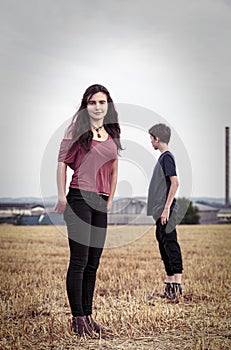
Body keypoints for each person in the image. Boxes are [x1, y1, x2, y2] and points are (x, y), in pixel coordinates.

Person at [55, 84, 122, 337]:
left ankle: (89, 317)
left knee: (93, 263)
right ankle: (78, 320)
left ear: (108, 105)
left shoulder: (112, 132)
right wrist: (61, 195)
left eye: (102, 102)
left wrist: (110, 199)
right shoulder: (76, 129)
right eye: (92, 102)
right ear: (86, 105)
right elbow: (62, 163)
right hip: (80, 198)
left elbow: (115, 169)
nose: (97, 107)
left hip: (100, 202)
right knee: (80, 261)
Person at [147, 123, 183, 299]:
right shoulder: (162, 158)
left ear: (157, 138)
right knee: (163, 246)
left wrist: (166, 208)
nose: (150, 142)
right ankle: (170, 286)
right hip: (160, 210)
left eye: (151, 138)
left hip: (165, 210)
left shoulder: (167, 157)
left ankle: (177, 286)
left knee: (171, 244)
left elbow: (175, 182)